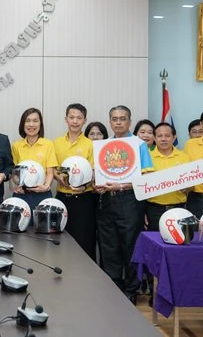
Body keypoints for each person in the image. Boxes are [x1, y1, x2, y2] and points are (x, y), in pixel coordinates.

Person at [95, 105, 153, 305]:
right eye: (114, 119)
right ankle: (113, 287)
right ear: (110, 122)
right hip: (106, 201)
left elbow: (147, 178)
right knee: (108, 247)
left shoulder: (139, 145)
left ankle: (130, 289)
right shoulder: (103, 146)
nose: (118, 122)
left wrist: (122, 185)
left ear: (129, 121)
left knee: (130, 246)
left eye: (122, 118)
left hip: (130, 200)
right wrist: (98, 186)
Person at [52, 104, 97, 260]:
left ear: (85, 120)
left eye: (79, 118)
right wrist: (58, 177)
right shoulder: (56, 143)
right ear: (66, 119)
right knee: (60, 240)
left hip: (84, 199)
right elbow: (52, 168)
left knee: (84, 242)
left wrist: (85, 185)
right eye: (71, 117)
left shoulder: (90, 144)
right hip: (62, 198)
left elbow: (93, 172)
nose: (75, 121)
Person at [145, 122, 190, 235]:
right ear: (154, 138)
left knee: (179, 239)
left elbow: (191, 185)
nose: (163, 139)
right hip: (154, 209)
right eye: (160, 136)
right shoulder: (147, 157)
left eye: (167, 136)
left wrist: (187, 188)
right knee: (155, 241)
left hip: (179, 208)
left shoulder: (184, 157)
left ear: (174, 137)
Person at [11, 108, 57, 211]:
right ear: (23, 124)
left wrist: (46, 186)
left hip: (42, 193)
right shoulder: (16, 146)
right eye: (27, 121)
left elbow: (50, 171)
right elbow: (14, 172)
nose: (31, 125)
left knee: (41, 221)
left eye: (35, 121)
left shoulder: (48, 144)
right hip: (22, 194)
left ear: (40, 124)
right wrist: (17, 185)